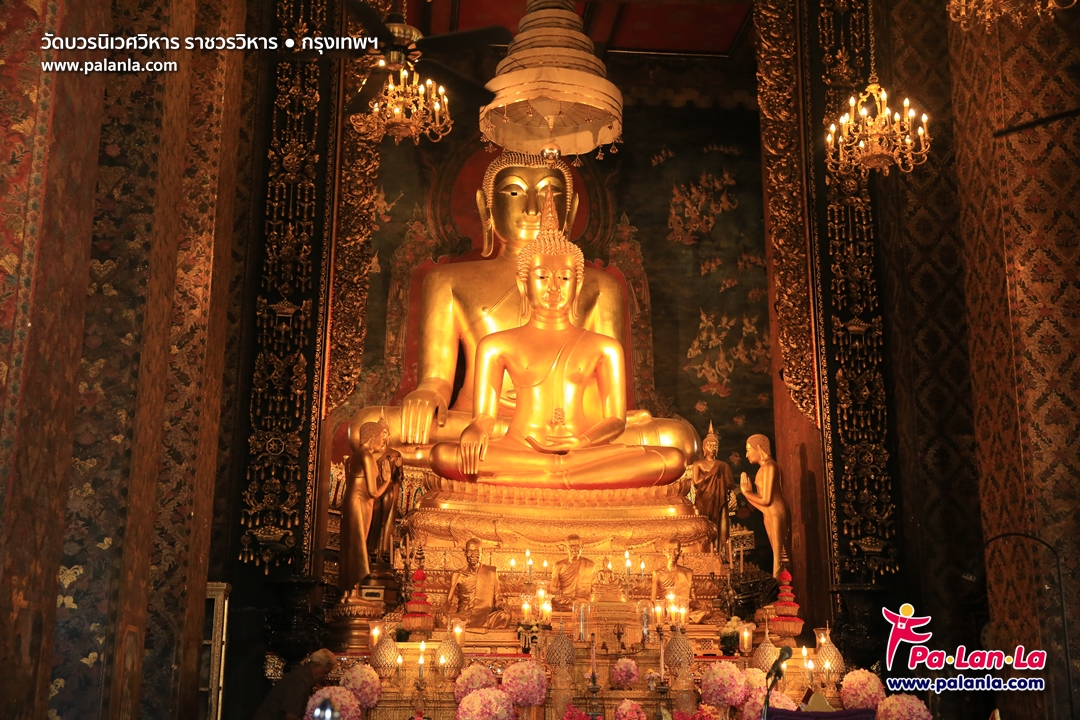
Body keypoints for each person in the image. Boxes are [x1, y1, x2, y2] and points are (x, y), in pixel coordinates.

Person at [347, 151, 698, 463]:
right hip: (477, 422)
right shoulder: (448, 281)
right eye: (514, 192)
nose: (532, 208)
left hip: (573, 427)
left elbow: (605, 399)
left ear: (571, 209)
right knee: (370, 427)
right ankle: (544, 457)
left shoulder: (599, 287)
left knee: (678, 439)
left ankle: (541, 456)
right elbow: (437, 378)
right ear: (486, 206)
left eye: (549, 193)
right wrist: (427, 393)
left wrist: (592, 432)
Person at [427, 188, 686, 490]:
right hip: (518, 449)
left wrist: (582, 441)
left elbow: (616, 421)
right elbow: (483, 416)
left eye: (564, 278)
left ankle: (547, 475)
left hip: (583, 451)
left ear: (578, 285)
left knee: (671, 458)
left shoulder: (605, 348)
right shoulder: (496, 345)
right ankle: (562, 477)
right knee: (443, 455)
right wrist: (475, 430)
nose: (553, 288)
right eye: (541, 277)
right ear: (523, 284)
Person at [338, 420, 402, 596]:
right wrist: (387, 481)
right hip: (361, 502)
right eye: (382, 437)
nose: (384, 441)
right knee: (358, 544)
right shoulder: (366, 456)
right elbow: (373, 492)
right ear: (372, 436)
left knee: (351, 544)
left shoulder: (352, 457)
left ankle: (348, 593)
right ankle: (353, 593)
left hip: (351, 501)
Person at [739, 434, 791, 577]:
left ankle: (782, 587)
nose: (746, 455)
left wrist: (746, 493)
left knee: (780, 557)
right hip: (768, 513)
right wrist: (748, 495)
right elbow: (761, 502)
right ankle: (780, 586)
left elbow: (767, 500)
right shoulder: (763, 469)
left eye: (748, 450)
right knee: (776, 553)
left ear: (758, 448)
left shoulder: (770, 467)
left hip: (776, 513)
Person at [252, 648, 337, 720]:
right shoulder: (300, 680)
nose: (325, 676)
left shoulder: (303, 675)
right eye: (325, 672)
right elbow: (291, 717)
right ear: (316, 666)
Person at [444, 537, 509, 629]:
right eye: (469, 551)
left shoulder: (491, 572)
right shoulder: (458, 574)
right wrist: (442, 610)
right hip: (463, 616)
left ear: (482, 553)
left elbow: (498, 599)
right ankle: (473, 625)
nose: (472, 555)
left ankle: (471, 625)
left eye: (476, 551)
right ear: (465, 553)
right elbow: (448, 601)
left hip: (485, 616)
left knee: (505, 616)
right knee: (442, 620)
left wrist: (503, 605)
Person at [691, 422, 733, 553]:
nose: (712, 448)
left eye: (715, 446)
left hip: (719, 499)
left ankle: (720, 551)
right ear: (704, 447)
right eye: (709, 445)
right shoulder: (698, 464)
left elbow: (729, 485)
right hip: (703, 499)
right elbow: (696, 482)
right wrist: (710, 476)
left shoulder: (723, 465)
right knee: (704, 524)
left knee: (720, 524)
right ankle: (704, 550)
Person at [550, 534, 595, 610]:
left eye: (577, 546)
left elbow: (594, 587)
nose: (575, 549)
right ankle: (575, 605)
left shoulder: (590, 564)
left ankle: (577, 605)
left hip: (583, 600)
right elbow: (553, 587)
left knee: (585, 604)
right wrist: (556, 592)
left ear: (582, 548)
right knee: (555, 600)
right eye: (571, 546)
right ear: (565, 549)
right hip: (566, 600)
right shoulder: (559, 565)